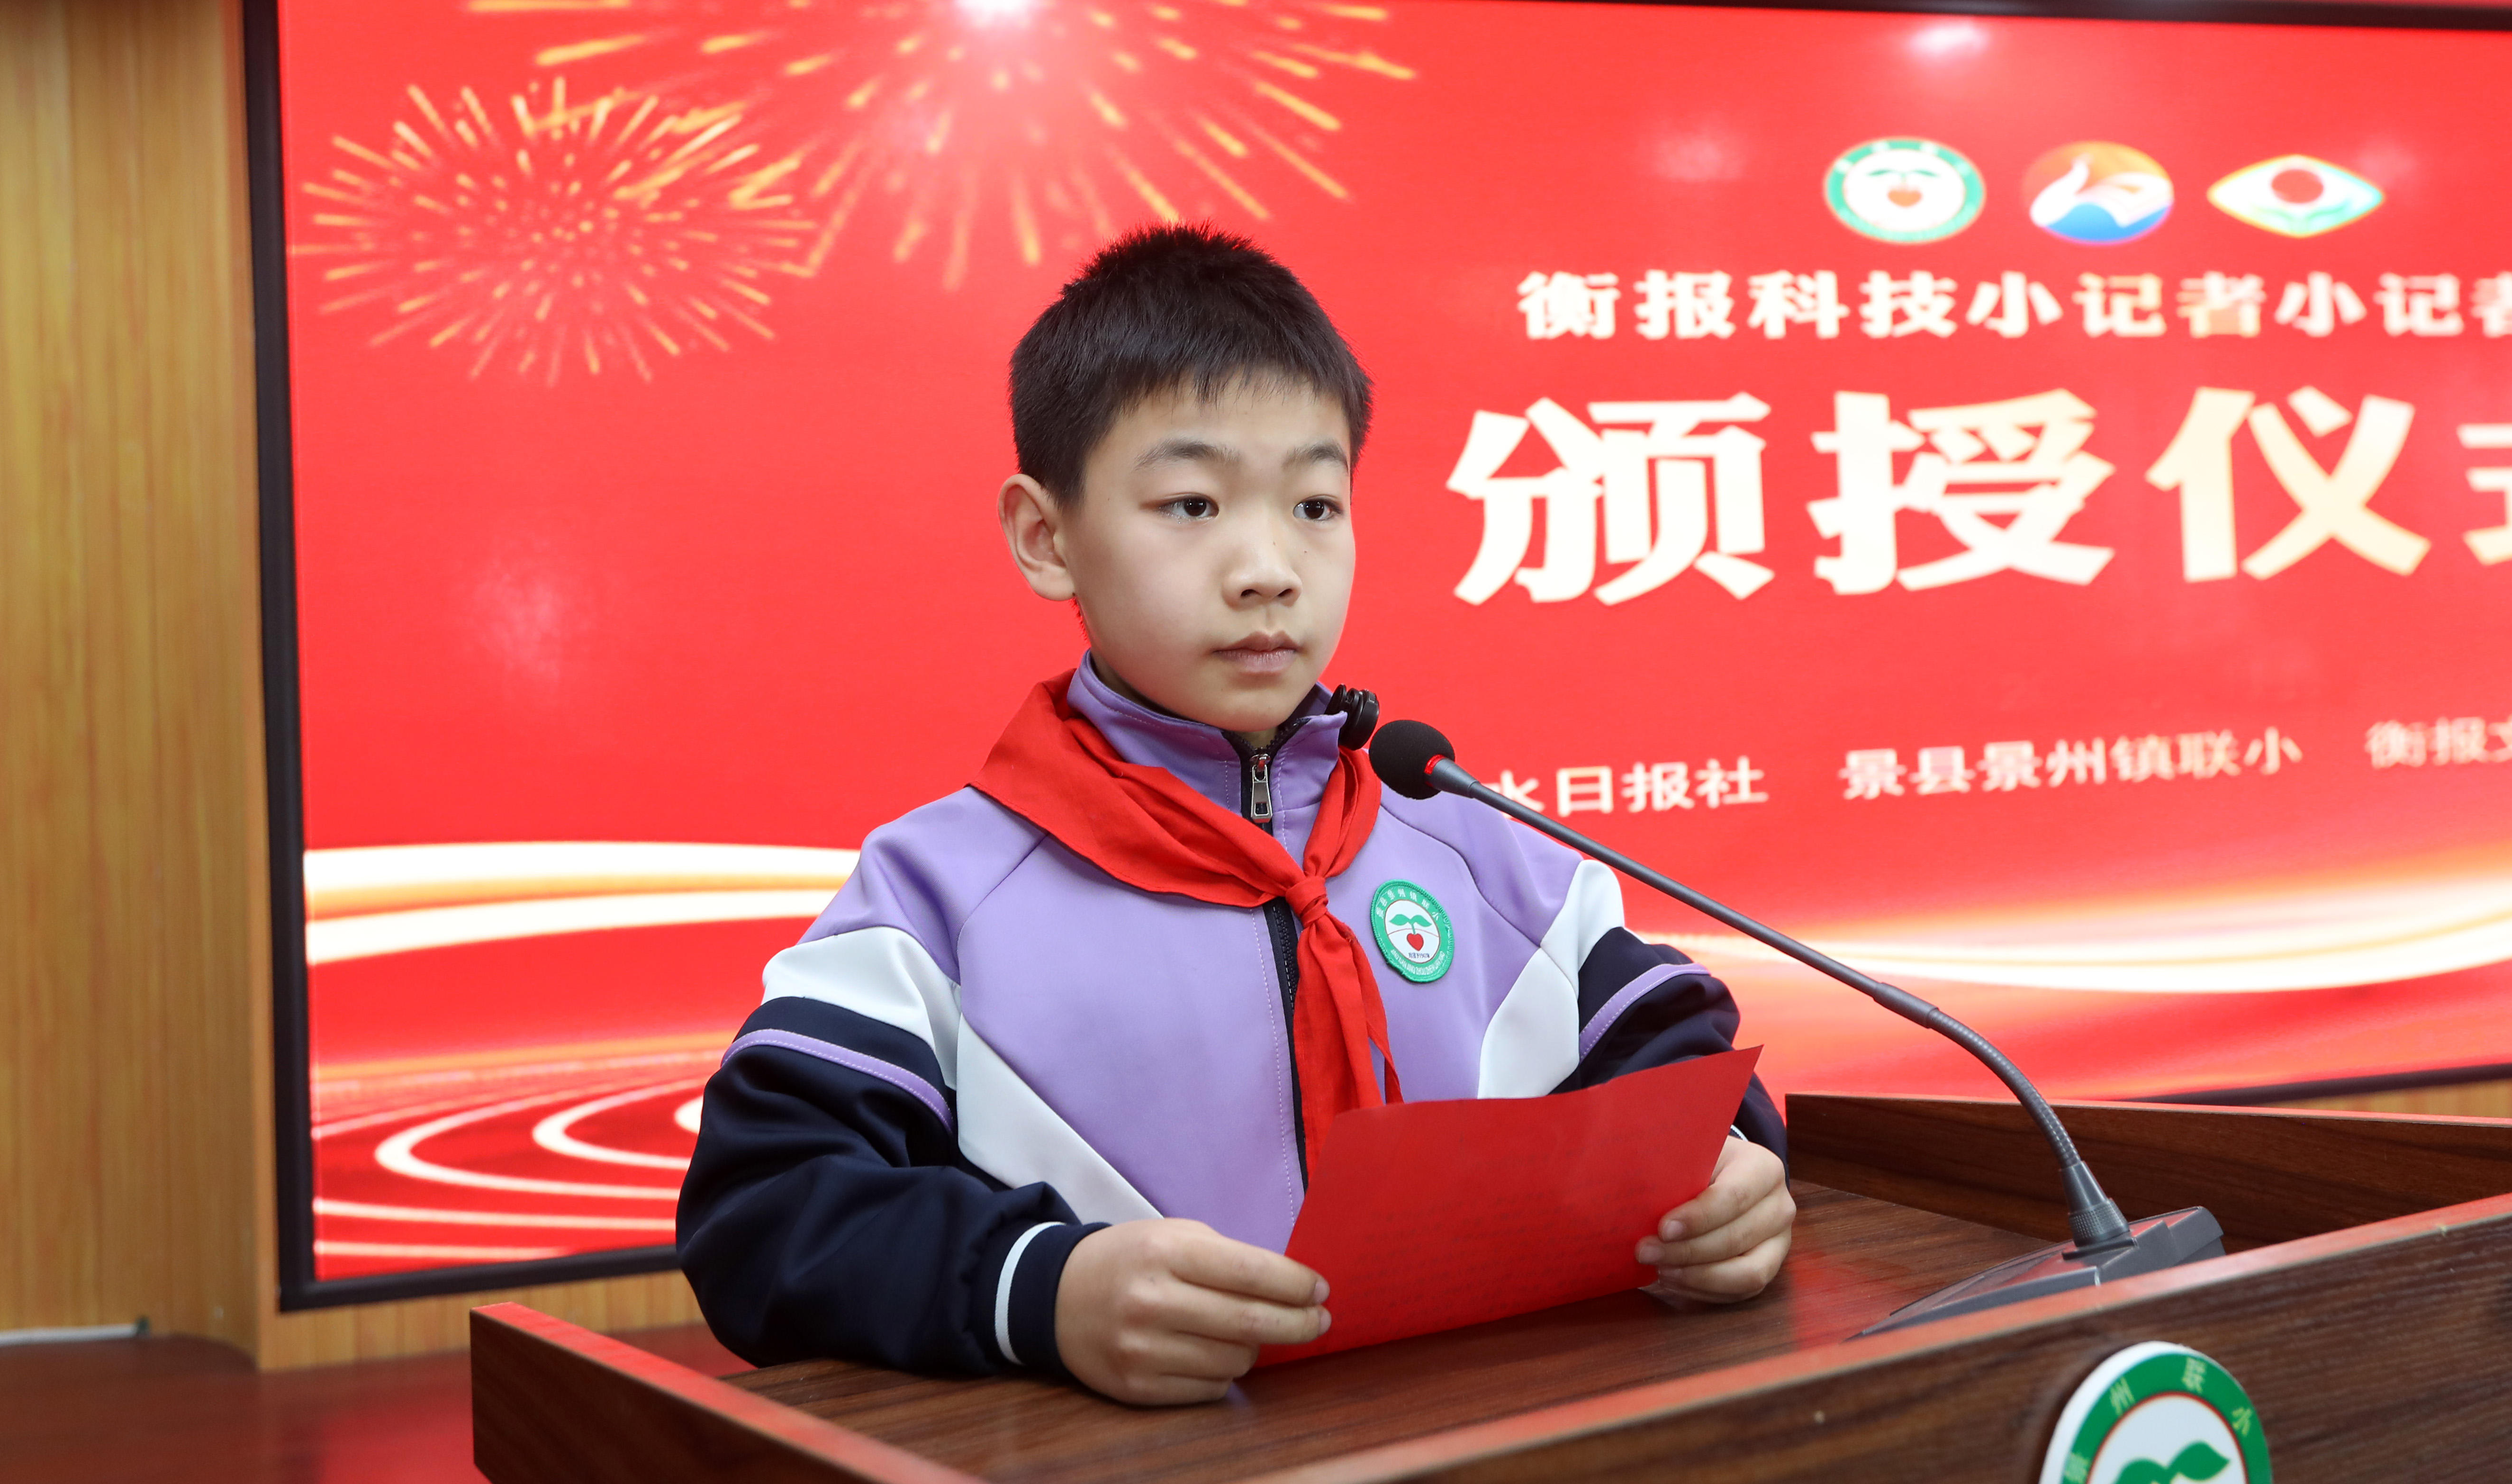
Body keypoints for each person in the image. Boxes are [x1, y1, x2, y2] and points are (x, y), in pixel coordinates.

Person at [677, 225, 1792, 1405]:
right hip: (1134, 1483)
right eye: (1192, 503)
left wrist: (1731, 1180)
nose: (1269, 568)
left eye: (1314, 504)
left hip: (1507, 1455)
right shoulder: (935, 897)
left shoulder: (1479, 851)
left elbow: (1686, 1072)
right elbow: (764, 1212)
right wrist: (1044, 1289)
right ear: (1046, 538)